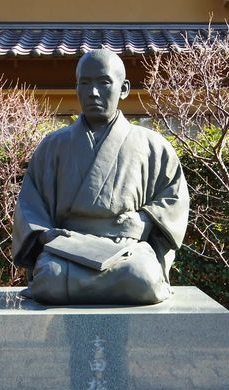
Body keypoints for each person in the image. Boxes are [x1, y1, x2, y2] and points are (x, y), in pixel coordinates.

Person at [12, 49, 189, 305]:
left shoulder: (152, 145)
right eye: (85, 84)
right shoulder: (53, 145)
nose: (93, 92)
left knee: (144, 279)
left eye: (104, 82)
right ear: (77, 87)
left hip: (127, 247)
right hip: (68, 248)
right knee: (49, 278)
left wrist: (143, 220)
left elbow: (173, 195)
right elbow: (31, 202)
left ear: (124, 88)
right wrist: (46, 235)